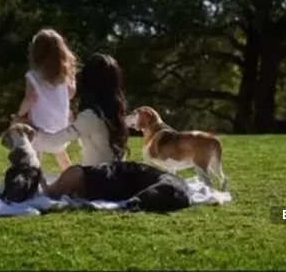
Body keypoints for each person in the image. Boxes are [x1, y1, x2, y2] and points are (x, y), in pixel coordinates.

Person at [31, 53, 191, 212]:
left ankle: (46, 188)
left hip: (99, 181)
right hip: (119, 179)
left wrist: (30, 131)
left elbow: (52, 142)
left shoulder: (90, 116)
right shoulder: (116, 113)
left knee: (72, 173)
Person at [15, 28, 77, 171]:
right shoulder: (64, 76)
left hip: (39, 133)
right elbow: (71, 94)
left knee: (35, 157)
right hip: (62, 133)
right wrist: (72, 78)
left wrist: (19, 115)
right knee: (62, 156)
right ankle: (73, 181)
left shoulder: (32, 75)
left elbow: (31, 97)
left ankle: (34, 181)